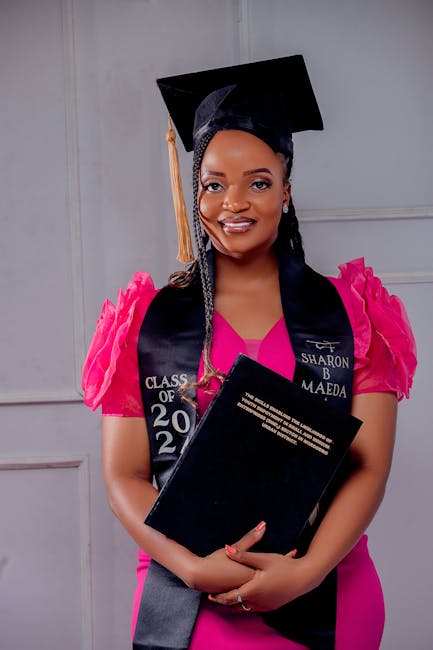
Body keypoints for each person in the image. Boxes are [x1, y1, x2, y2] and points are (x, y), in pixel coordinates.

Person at [82, 56, 416, 650]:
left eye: (258, 182)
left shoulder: (353, 313)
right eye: (213, 184)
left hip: (327, 589)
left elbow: (369, 465)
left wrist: (307, 572)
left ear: (286, 190)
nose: (232, 202)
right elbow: (124, 475)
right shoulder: (147, 321)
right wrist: (191, 567)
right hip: (191, 599)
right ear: (195, 192)